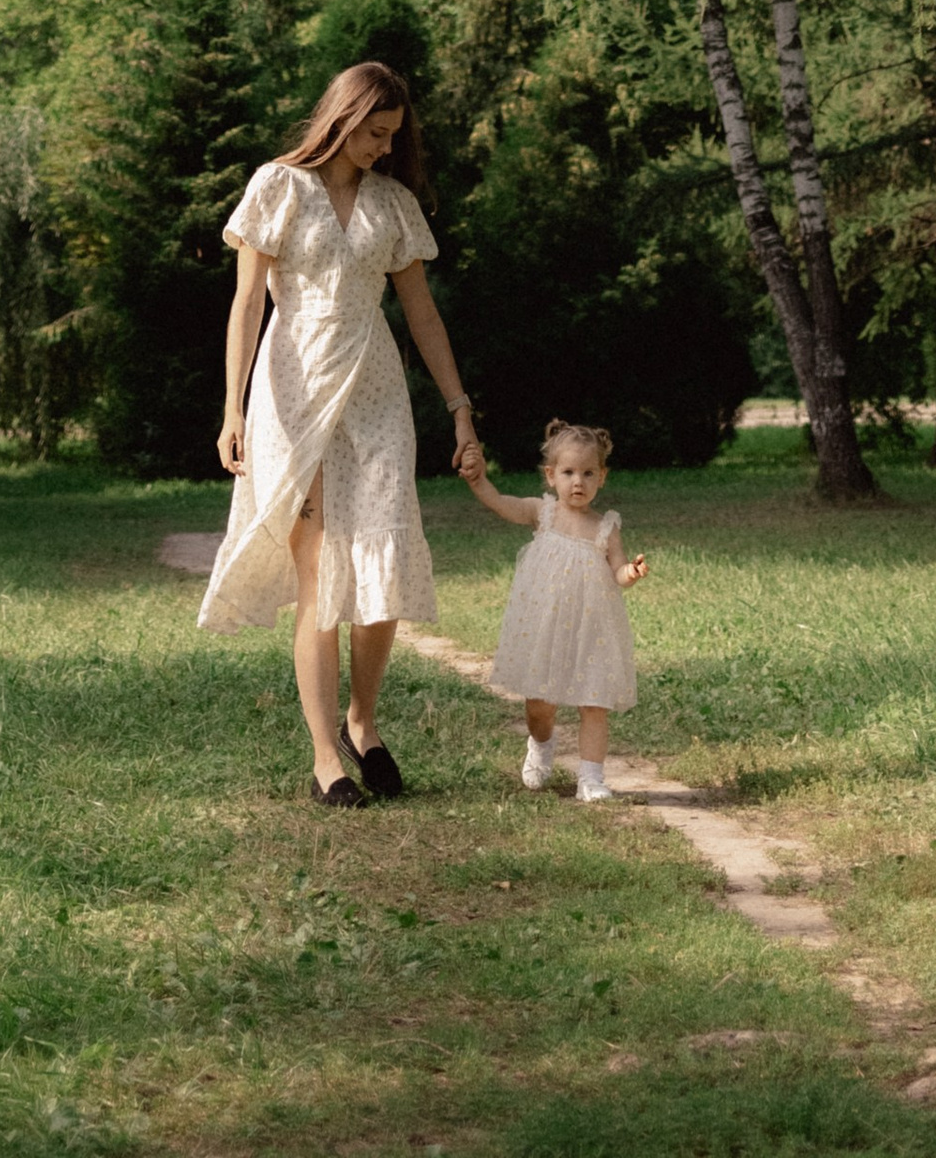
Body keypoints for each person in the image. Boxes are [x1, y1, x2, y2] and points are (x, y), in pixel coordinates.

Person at [198, 59, 484, 805]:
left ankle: (364, 723)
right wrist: (232, 409)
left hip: (376, 390)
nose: (384, 148)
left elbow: (422, 314)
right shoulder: (277, 187)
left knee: (384, 557)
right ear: (342, 116)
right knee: (320, 574)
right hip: (292, 392)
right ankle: (327, 758)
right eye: (374, 132)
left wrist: (458, 406)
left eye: (393, 137)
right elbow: (247, 307)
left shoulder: (392, 204)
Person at [463, 418, 648, 802]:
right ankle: (541, 743)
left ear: (602, 477)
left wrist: (631, 572)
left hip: (592, 628)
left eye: (588, 473)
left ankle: (591, 778)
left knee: (594, 702)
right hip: (546, 628)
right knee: (539, 705)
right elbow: (502, 505)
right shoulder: (542, 513)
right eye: (568, 472)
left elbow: (618, 571)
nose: (577, 481)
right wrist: (479, 482)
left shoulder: (606, 527)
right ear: (550, 476)